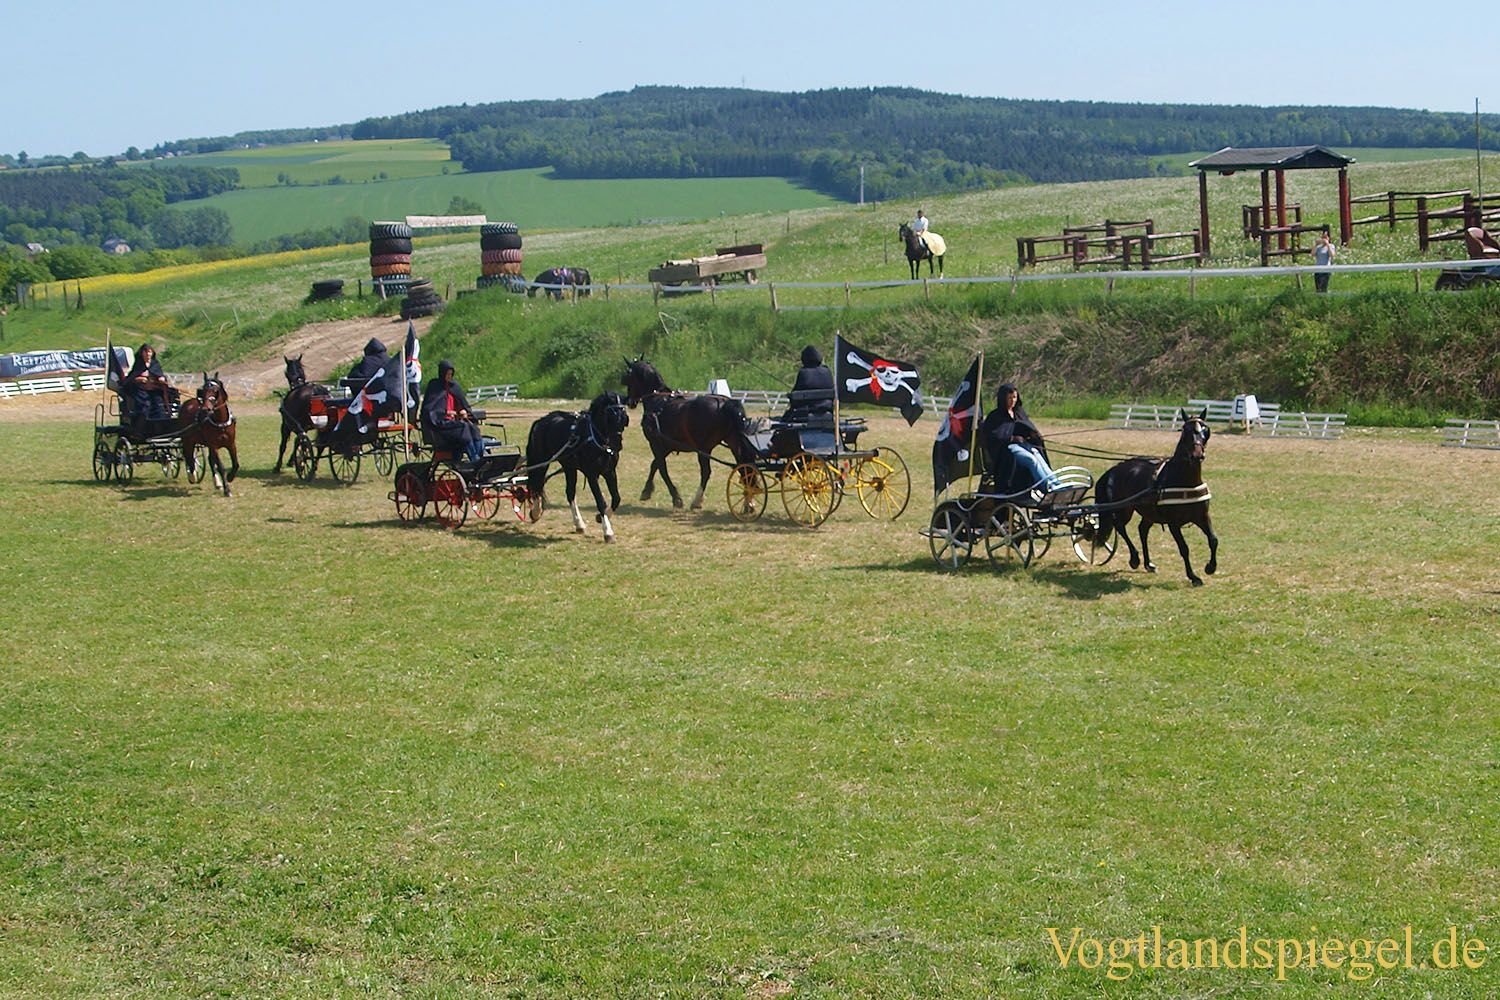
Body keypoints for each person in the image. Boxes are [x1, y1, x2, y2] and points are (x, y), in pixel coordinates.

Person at [979, 382, 1062, 492]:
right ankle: (1047, 487)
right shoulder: (995, 416)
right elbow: (994, 437)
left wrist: (1033, 435)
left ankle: (1056, 484)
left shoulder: (1019, 412)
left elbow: (1026, 426)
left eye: (1014, 397)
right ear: (1002, 398)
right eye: (1009, 398)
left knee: (1036, 453)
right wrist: (1012, 439)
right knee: (1031, 460)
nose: (1012, 401)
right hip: (1008, 450)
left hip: (1024, 444)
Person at [421, 360, 484, 463]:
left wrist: (463, 411)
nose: (449, 376)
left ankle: (481, 457)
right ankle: (474, 459)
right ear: (442, 373)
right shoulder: (434, 386)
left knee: (473, 428)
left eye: (451, 374)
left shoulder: (454, 387)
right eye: (447, 374)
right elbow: (428, 410)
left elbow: (462, 404)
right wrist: (445, 412)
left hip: (454, 423)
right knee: (464, 428)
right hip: (440, 425)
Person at [345, 338, 403, 419]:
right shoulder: (390, 361)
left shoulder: (366, 362)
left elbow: (352, 377)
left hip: (367, 401)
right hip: (388, 400)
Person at [782, 344, 834, 422]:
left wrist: (790, 396)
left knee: (786, 417)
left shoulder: (804, 372)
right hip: (826, 410)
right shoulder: (827, 371)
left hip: (806, 411)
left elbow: (796, 393)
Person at [124, 342, 168, 422]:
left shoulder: (155, 364)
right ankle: (144, 421)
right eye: (146, 352)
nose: (148, 354)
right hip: (141, 391)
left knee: (159, 404)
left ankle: (161, 422)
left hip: (154, 390)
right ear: (142, 353)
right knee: (144, 404)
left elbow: (160, 374)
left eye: (149, 352)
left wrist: (161, 378)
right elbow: (131, 378)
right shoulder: (138, 365)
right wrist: (139, 379)